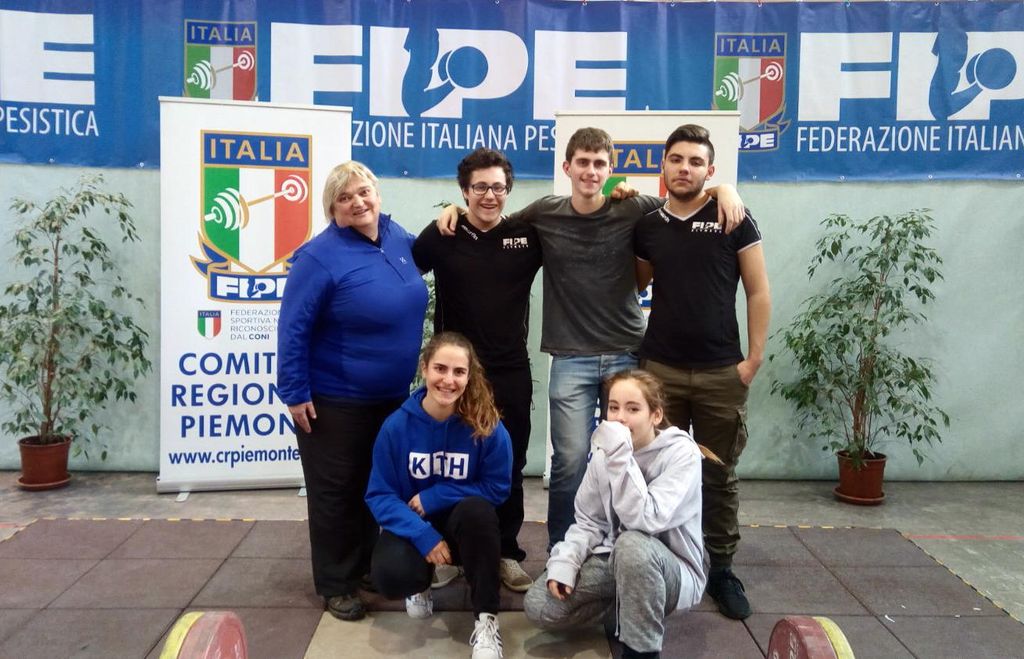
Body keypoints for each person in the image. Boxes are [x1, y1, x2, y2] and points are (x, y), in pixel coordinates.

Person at [440, 127, 746, 548]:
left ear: (610, 169)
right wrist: (455, 210)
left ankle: (625, 548)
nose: (590, 171)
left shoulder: (633, 207)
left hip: (627, 355)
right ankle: (562, 551)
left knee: (631, 457)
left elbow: (684, 198)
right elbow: (492, 221)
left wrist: (723, 189)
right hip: (570, 359)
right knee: (569, 462)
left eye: (599, 163)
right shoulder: (544, 212)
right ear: (567, 167)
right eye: (582, 162)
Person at [277, 161, 428, 622]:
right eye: (345, 198)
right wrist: (294, 391)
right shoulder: (318, 257)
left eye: (364, 192)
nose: (358, 202)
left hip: (391, 397)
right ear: (332, 209)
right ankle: (336, 583)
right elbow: (293, 328)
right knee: (335, 494)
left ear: (377, 195)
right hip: (333, 400)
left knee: (373, 487)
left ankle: (363, 567)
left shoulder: (397, 237)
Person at [634, 124, 771, 620]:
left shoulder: (733, 215)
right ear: (663, 166)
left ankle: (722, 569)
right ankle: (657, 560)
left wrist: (752, 361)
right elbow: (636, 283)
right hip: (660, 371)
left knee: (718, 476)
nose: (685, 168)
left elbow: (758, 291)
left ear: (709, 170)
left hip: (721, 372)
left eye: (696, 162)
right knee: (657, 472)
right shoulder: (648, 225)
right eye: (676, 159)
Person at [413, 148, 542, 592]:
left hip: (509, 371)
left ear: (509, 190)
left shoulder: (527, 236)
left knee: (509, 464)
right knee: (447, 463)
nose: (490, 195)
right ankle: (447, 552)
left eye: (498, 187)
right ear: (464, 191)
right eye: (480, 187)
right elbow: (399, 273)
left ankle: (505, 552)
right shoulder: (442, 234)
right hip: (453, 375)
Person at [524, 369, 710, 659]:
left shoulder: (680, 455)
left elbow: (645, 519)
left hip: (671, 569)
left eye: (633, 409)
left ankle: (641, 651)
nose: (620, 418)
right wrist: (565, 563)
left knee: (633, 544)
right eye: (613, 408)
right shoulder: (604, 456)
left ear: (656, 415)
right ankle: (632, 612)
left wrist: (620, 455)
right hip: (616, 560)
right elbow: (589, 521)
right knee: (539, 607)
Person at [366, 332, 512, 659]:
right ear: (424, 368)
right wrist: (422, 535)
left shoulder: (485, 424)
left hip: (464, 525)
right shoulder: (396, 426)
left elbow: (497, 487)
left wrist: (436, 496)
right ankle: (419, 584)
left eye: (459, 372)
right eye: (440, 369)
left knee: (479, 513)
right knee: (390, 576)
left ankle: (486, 620)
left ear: (469, 376)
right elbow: (380, 494)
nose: (448, 380)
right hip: (416, 524)